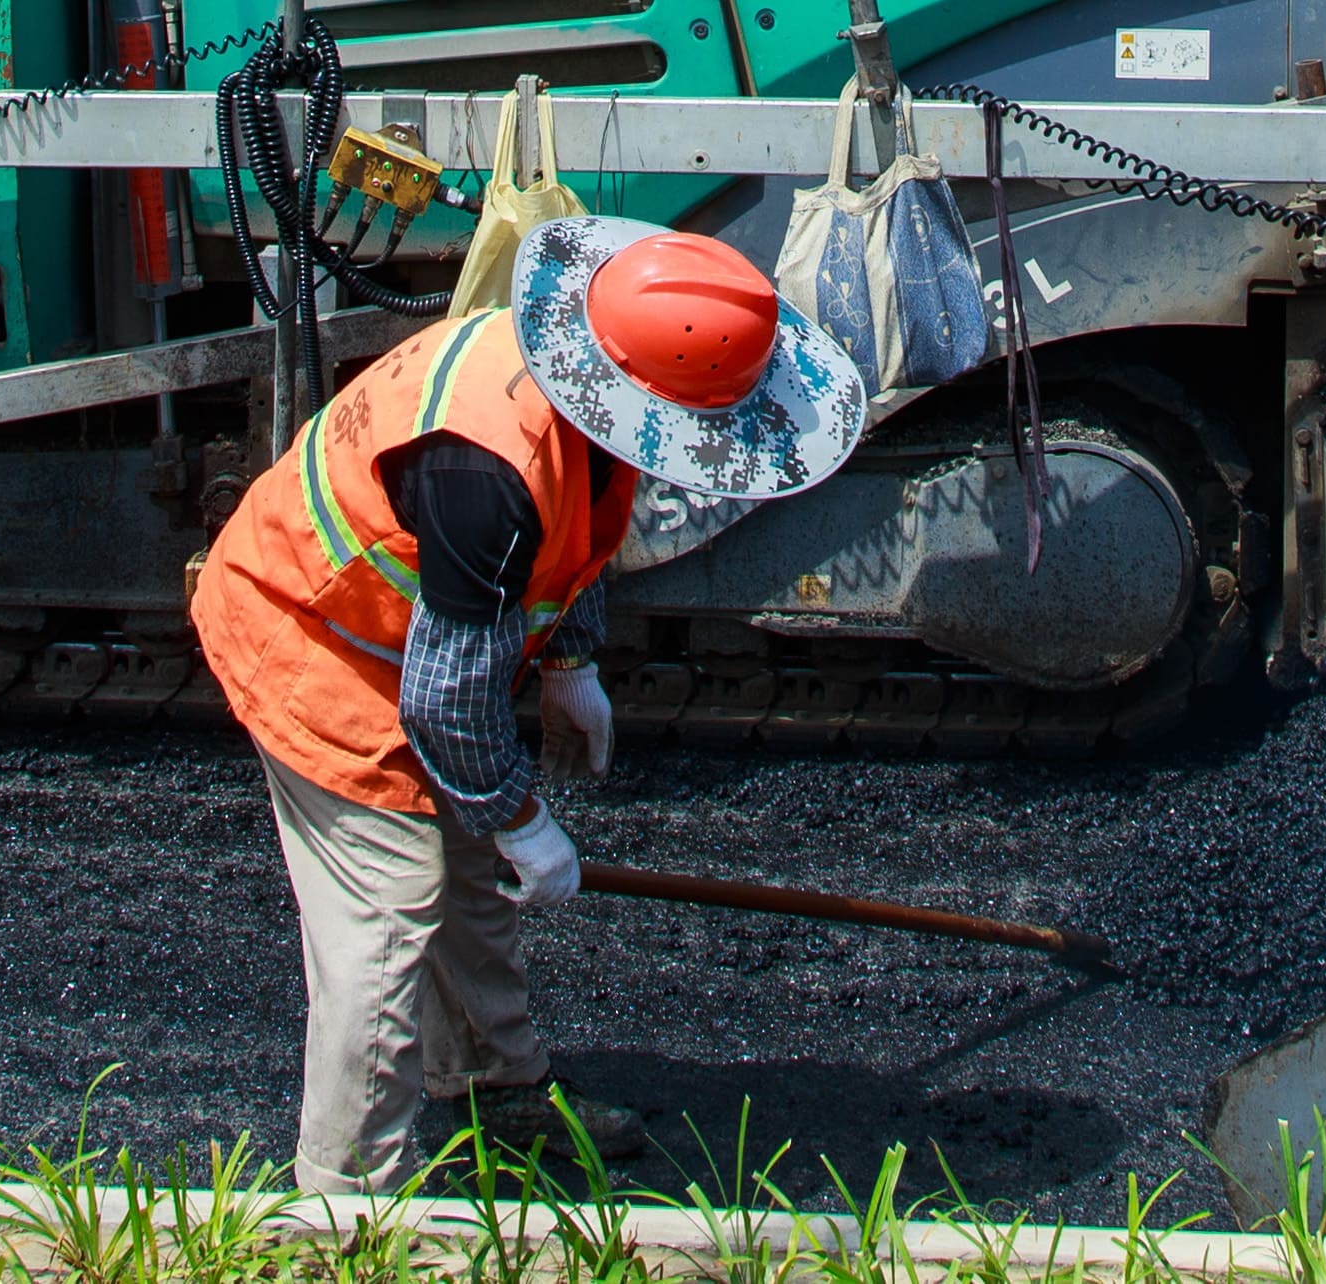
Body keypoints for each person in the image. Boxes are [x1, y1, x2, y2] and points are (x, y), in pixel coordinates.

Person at [193, 217, 862, 1192]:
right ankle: (343, 1202)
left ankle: (491, 1093)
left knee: (469, 881)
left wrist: (568, 665)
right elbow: (442, 700)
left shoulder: (589, 371)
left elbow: (579, 521)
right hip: (313, 641)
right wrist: (521, 818)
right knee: (388, 913)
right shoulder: (482, 473)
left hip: (409, 646)